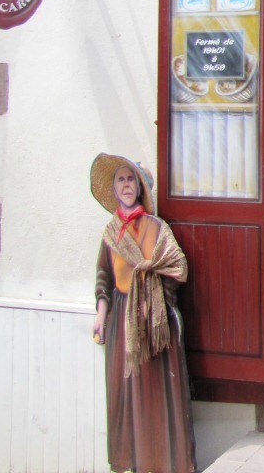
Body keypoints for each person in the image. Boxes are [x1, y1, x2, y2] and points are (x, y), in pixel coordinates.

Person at [91, 153, 196, 473]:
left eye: (131, 179)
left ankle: (162, 463)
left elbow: (176, 268)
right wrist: (100, 317)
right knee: (126, 396)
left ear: (139, 188)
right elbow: (103, 278)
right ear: (114, 188)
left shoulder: (157, 228)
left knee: (154, 395)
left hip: (154, 322)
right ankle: (133, 463)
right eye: (120, 180)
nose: (126, 185)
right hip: (121, 326)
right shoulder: (111, 234)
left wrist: (156, 304)